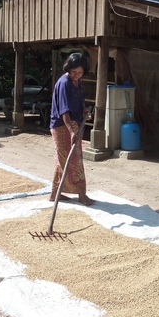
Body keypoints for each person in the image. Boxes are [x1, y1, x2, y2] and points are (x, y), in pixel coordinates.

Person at [49, 53, 95, 206]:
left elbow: (80, 101)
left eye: (79, 72)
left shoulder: (78, 82)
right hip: (62, 126)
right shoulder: (64, 83)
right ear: (68, 68)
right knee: (72, 160)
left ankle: (55, 193)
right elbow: (64, 111)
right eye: (74, 72)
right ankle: (81, 194)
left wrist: (84, 111)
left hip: (74, 123)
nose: (76, 75)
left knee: (63, 159)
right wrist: (72, 131)